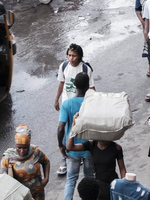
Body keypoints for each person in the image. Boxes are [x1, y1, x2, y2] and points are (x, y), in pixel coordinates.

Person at [54, 43, 95, 175]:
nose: (71, 58)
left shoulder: (85, 68)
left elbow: (92, 87)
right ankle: (64, 160)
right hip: (67, 104)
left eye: (74, 55)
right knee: (66, 130)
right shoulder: (63, 66)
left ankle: (80, 153)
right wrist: (56, 99)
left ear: (80, 56)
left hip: (82, 104)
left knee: (82, 130)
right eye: (69, 55)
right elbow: (62, 83)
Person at [66, 116, 127, 200]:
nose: (102, 138)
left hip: (113, 185)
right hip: (98, 186)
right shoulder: (91, 145)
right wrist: (73, 126)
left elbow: (122, 168)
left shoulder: (116, 148)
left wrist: (124, 185)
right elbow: (70, 147)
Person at [57, 73, 95, 200]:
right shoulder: (92, 103)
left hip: (72, 146)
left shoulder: (67, 104)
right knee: (89, 178)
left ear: (74, 85)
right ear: (88, 86)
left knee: (71, 179)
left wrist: (61, 146)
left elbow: (61, 128)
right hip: (89, 147)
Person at [1, 124, 50, 200]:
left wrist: (46, 178)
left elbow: (46, 162)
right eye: (19, 147)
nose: (22, 151)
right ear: (15, 145)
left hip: (38, 194)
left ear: (29, 145)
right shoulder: (8, 158)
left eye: (25, 148)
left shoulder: (35, 152)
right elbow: (4, 181)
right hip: (22, 197)